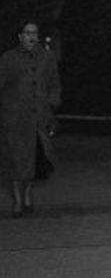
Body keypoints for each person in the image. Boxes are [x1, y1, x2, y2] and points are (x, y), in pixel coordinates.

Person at [0, 19, 61, 217]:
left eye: (34, 33)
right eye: (27, 33)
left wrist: (51, 103)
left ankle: (27, 193)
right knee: (17, 162)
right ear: (20, 36)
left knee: (34, 161)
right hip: (15, 119)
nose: (31, 37)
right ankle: (18, 201)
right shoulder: (8, 58)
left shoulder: (47, 58)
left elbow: (54, 85)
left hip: (39, 119)